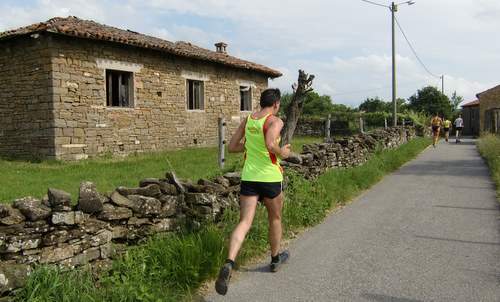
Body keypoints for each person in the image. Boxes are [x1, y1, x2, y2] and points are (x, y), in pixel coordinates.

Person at [215, 88, 291, 296]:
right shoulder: (275, 121)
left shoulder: (248, 120)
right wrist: (282, 152)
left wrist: (249, 146)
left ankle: (229, 262)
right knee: (275, 219)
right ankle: (275, 259)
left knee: (244, 222)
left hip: (249, 177)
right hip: (269, 178)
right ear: (275, 104)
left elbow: (232, 146)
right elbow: (269, 144)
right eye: (279, 104)